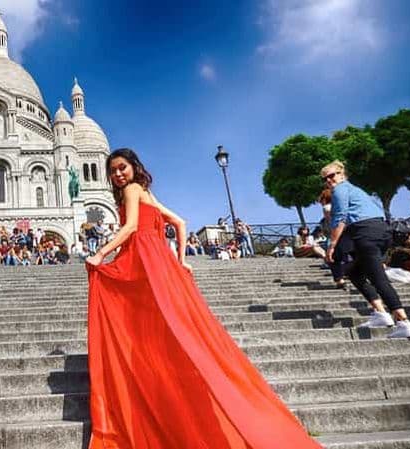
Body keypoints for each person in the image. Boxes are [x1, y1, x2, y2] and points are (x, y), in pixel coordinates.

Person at [84, 148, 321, 448]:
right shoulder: (146, 191)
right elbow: (180, 223)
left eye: (122, 168)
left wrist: (100, 254)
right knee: (173, 323)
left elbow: (131, 227)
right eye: (113, 171)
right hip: (160, 260)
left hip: (142, 257)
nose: (118, 174)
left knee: (139, 318)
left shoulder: (132, 189)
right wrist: (180, 260)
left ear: (133, 167)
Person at [322, 160, 410, 338]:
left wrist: (332, 245)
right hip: (380, 231)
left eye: (331, 175)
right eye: (325, 178)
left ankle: (403, 321)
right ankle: (381, 313)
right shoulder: (356, 190)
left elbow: (340, 217)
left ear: (342, 174)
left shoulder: (341, 189)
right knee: (355, 273)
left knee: (377, 278)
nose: (328, 180)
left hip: (365, 233)